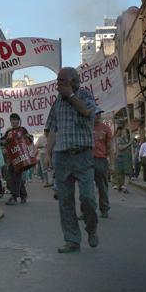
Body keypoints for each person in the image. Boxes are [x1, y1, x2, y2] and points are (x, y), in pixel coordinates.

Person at [44, 67, 98, 253]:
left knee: (88, 198)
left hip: (83, 156)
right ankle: (72, 240)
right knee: (65, 202)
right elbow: (52, 129)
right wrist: (48, 154)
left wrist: (71, 95)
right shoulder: (57, 101)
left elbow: (87, 112)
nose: (57, 84)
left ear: (73, 81)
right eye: (57, 81)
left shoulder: (85, 95)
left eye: (61, 80)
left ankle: (91, 227)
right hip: (62, 157)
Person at [1, 113, 30, 205]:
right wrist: (4, 142)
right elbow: (2, 140)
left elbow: (29, 140)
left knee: (16, 175)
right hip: (11, 158)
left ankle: (14, 196)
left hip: (21, 157)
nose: (13, 121)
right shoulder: (9, 132)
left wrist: (27, 138)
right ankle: (23, 195)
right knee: (13, 176)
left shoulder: (22, 130)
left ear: (18, 120)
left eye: (14, 119)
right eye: (11, 120)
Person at [92, 107, 113, 218]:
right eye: (96, 114)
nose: (98, 116)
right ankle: (86, 211)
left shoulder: (106, 128)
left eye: (99, 114)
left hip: (101, 160)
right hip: (87, 160)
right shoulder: (86, 126)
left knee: (102, 186)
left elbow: (110, 146)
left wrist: (111, 162)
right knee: (86, 187)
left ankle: (104, 209)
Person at [114, 127, 133, 193]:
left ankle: (125, 188)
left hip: (128, 159)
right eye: (122, 132)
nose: (123, 134)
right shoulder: (119, 139)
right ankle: (120, 185)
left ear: (128, 134)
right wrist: (129, 144)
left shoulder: (131, 140)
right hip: (121, 159)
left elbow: (135, 148)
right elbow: (120, 148)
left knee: (127, 173)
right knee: (120, 173)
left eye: (124, 132)